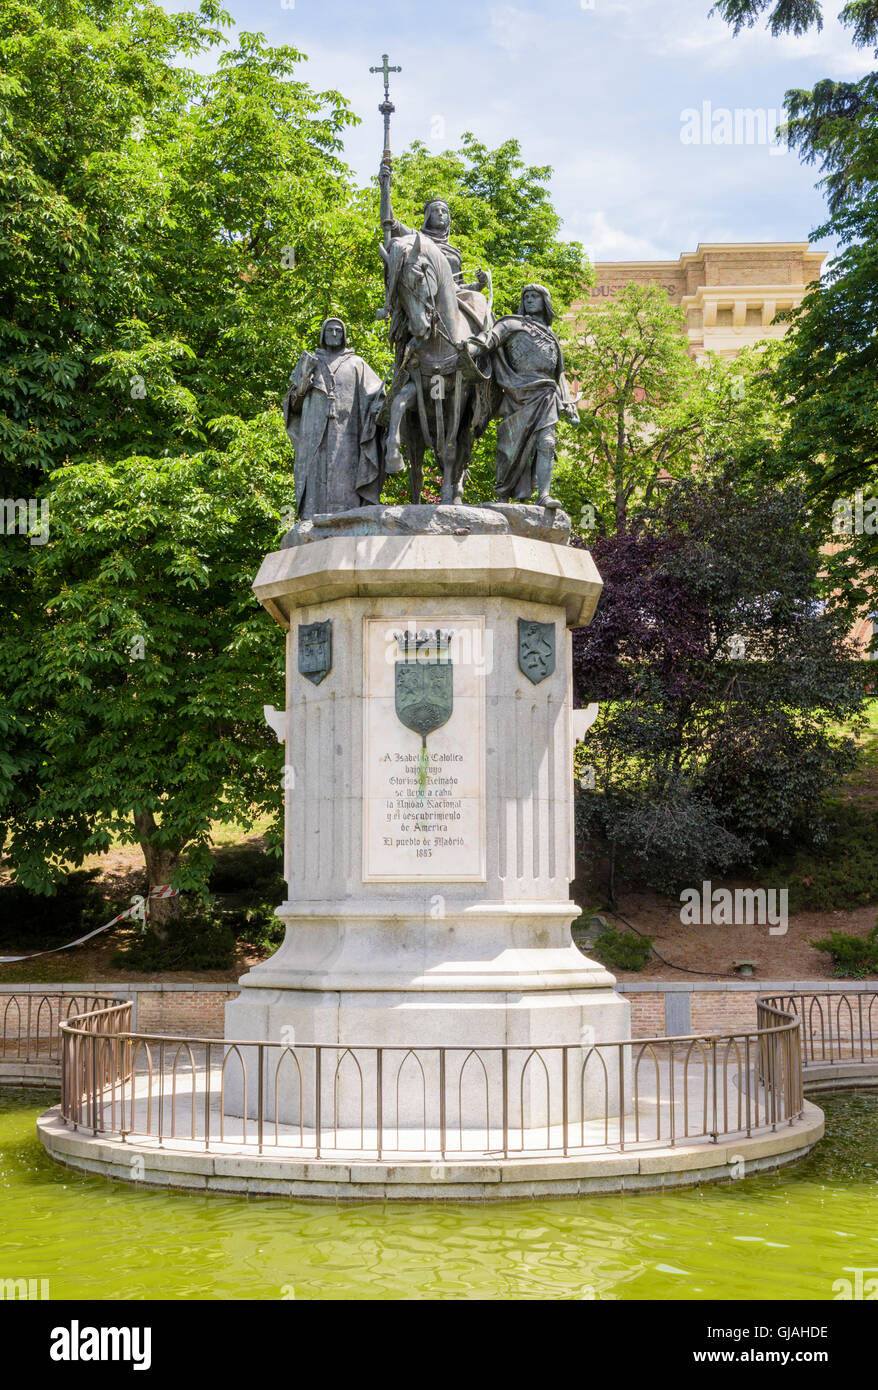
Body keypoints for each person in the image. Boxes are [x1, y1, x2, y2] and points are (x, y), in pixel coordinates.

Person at [472, 284, 579, 508]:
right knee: (510, 449)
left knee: (547, 443)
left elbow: (559, 374)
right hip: (516, 393)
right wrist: (470, 348)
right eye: (527, 297)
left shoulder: (551, 335)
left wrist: (569, 404)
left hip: (546, 394)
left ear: (544, 302)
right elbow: (489, 340)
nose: (530, 300)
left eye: (535, 297)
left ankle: (544, 495)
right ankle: (502, 493)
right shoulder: (511, 324)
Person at [282, 318, 386, 519]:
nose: (334, 334)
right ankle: (312, 518)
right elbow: (292, 405)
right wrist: (303, 387)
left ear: (344, 335)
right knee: (313, 476)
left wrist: (380, 408)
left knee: (345, 474)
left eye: (338, 330)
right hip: (314, 436)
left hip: (346, 434)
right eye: (330, 330)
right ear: (323, 334)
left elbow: (376, 395)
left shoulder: (357, 364)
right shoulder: (310, 362)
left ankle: (348, 519)